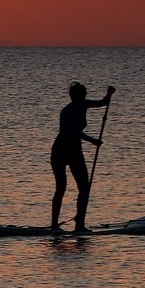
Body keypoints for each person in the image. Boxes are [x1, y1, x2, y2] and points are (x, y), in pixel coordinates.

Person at [50, 82, 114, 232]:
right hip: (71, 149)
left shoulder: (65, 109)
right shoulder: (81, 104)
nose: (85, 95)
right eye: (84, 93)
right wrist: (110, 93)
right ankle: (79, 225)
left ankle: (55, 224)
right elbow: (102, 103)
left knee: (61, 187)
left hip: (58, 149)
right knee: (83, 187)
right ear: (80, 95)